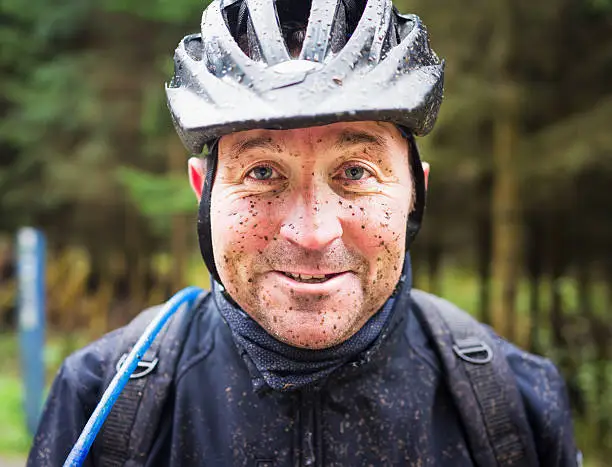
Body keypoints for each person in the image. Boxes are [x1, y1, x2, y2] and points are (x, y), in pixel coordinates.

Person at [28, 0, 580, 466]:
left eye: (356, 172)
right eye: (262, 172)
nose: (312, 233)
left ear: (415, 190)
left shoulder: (514, 406)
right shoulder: (103, 402)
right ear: (204, 192)